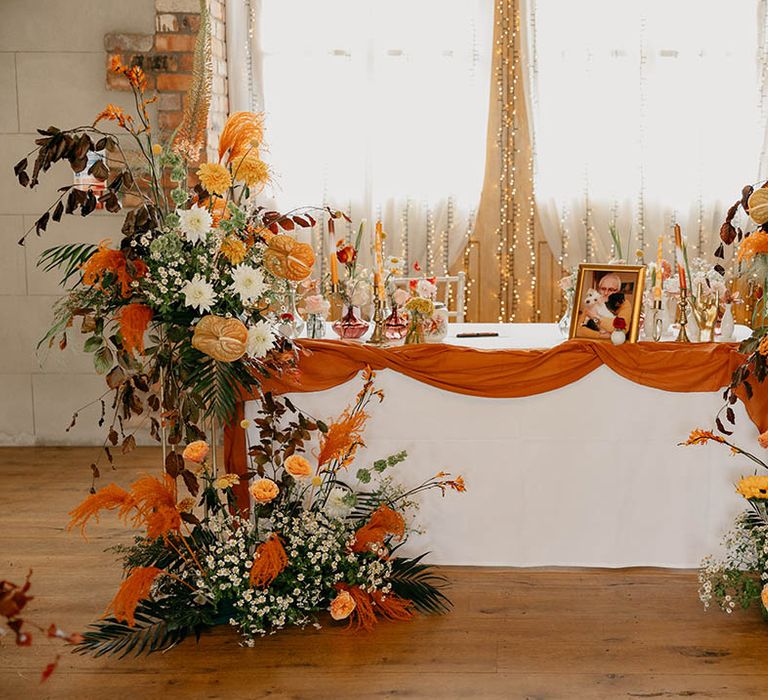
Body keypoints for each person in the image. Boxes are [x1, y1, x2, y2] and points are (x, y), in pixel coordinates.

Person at [577, 272, 632, 338]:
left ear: (618, 291)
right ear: (599, 289)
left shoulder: (624, 304)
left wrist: (594, 317)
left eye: (611, 290)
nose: (606, 293)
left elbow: (620, 329)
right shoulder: (593, 302)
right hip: (592, 340)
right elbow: (578, 330)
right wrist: (599, 335)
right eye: (603, 289)